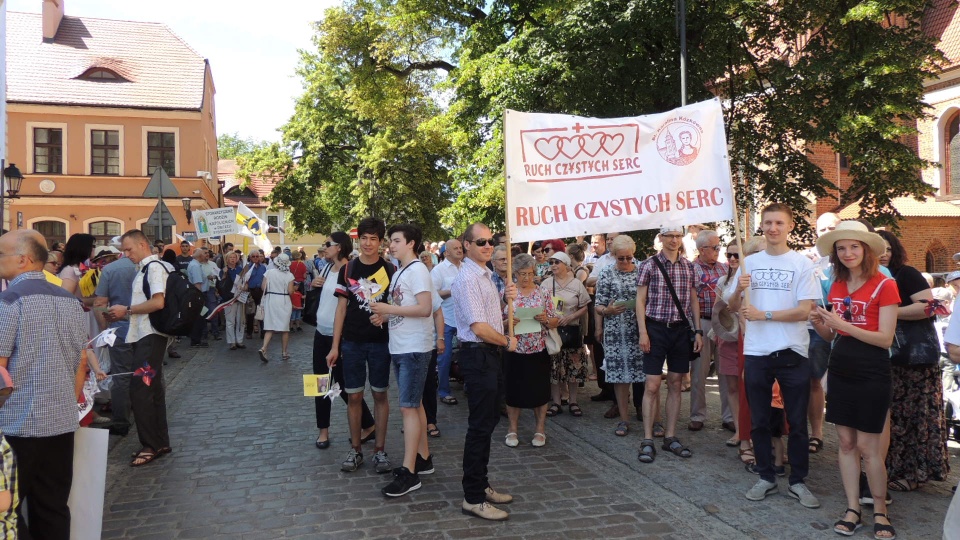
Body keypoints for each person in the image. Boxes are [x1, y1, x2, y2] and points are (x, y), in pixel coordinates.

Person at [726, 203, 820, 509]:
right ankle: (766, 476)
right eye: (768, 223)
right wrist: (738, 293)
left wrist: (763, 314)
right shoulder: (749, 262)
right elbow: (730, 309)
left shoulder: (802, 264)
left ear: (790, 226)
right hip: (756, 351)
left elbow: (804, 311)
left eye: (779, 223)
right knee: (759, 421)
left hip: (793, 351)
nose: (773, 228)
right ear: (762, 227)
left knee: (796, 421)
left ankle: (798, 481)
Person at [809, 221, 899, 539]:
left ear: (866, 250)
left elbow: (885, 338)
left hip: (873, 370)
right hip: (841, 368)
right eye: (842, 248)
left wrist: (839, 322)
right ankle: (852, 508)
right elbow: (832, 334)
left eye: (854, 246)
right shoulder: (835, 285)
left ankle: (880, 511)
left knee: (869, 447)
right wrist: (821, 321)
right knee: (846, 444)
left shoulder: (884, 285)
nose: (848, 253)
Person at [0, 230, 86, 538]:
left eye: (1, 255)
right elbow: (81, 362)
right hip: (61, 422)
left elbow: (0, 370)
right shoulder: (70, 302)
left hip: (16, 425)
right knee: (52, 506)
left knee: (6, 510)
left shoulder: (8, 302)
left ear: (22, 259)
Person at [876, 230, 950, 494]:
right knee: (890, 418)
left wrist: (888, 313)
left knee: (915, 418)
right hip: (886, 359)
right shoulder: (867, 279)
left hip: (914, 360)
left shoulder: (905, 274)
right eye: (877, 248)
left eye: (887, 248)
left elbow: (930, 306)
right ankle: (889, 468)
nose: (883, 254)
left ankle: (914, 473)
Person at [452, 223, 518, 521]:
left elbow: (489, 316)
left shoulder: (486, 275)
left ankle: (482, 483)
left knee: (489, 422)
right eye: (481, 241)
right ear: (466, 245)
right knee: (480, 427)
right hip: (478, 355)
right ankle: (473, 497)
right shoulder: (468, 278)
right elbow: (478, 327)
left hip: (489, 355)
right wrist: (506, 341)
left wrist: (506, 300)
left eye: (491, 241)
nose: (488, 245)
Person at [370, 224, 436, 497]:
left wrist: (388, 309)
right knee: (415, 403)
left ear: (411, 243)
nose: (391, 245)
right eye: (391, 241)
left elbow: (425, 308)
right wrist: (385, 316)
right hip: (401, 346)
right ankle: (423, 458)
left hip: (413, 348)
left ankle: (410, 473)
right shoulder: (400, 272)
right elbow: (406, 307)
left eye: (396, 241)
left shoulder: (418, 270)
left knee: (407, 407)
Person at [326, 218, 395, 474]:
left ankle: (380, 450)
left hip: (380, 343)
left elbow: (398, 307)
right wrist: (335, 346)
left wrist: (386, 316)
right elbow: (341, 309)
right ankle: (356, 449)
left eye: (374, 238)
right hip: (352, 343)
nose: (368, 243)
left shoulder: (390, 270)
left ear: (380, 242)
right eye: (364, 238)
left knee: (380, 395)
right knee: (354, 396)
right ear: (358, 239)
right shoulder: (348, 269)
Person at [636, 226, 702, 464]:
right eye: (669, 236)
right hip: (655, 328)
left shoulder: (689, 266)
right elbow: (640, 300)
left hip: (680, 331)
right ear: (661, 238)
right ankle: (647, 438)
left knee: (675, 382)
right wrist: (643, 332)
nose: (674, 240)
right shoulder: (649, 265)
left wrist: (697, 331)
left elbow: (693, 299)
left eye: (677, 236)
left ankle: (671, 435)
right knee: (652, 384)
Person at [108, 230, 173, 467]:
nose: (126, 255)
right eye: (123, 251)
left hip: (150, 337)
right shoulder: (147, 268)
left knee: (141, 389)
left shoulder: (154, 268)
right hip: (146, 336)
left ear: (143, 245)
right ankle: (160, 441)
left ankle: (151, 444)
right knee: (152, 389)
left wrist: (126, 310)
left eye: (129, 250)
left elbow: (158, 302)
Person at [311, 232, 375, 449]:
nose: (324, 247)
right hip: (321, 334)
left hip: (341, 337)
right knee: (319, 384)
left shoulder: (351, 271)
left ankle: (368, 424)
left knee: (345, 385)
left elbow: (361, 301)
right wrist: (314, 285)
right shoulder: (327, 268)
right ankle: (323, 431)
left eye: (328, 244)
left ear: (339, 247)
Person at [594, 235, 648, 437]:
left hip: (640, 330)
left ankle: (647, 414)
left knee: (643, 374)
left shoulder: (643, 269)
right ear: (613, 256)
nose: (626, 262)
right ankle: (624, 419)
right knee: (620, 377)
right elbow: (598, 303)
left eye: (629, 258)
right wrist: (606, 311)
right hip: (616, 332)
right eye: (621, 258)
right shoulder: (607, 272)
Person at [503, 254, 558, 448]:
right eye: (522, 274)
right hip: (514, 348)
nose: (526, 278)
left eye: (530, 273)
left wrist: (545, 319)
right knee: (513, 391)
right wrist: (508, 323)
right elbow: (497, 322)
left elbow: (554, 320)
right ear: (514, 273)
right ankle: (512, 429)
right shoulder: (508, 292)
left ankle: (540, 429)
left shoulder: (542, 292)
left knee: (540, 391)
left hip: (538, 347)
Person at [93, 237, 138, 436]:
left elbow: (99, 303)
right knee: (148, 372)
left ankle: (121, 422)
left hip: (120, 329)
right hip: (146, 329)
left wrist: (105, 328)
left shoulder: (111, 270)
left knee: (121, 376)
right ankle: (150, 414)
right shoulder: (150, 266)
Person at [690, 229, 730, 432]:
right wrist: (696, 328)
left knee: (726, 371)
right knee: (699, 372)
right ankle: (697, 415)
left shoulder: (725, 268)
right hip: (703, 323)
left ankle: (729, 416)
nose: (718, 250)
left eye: (718, 246)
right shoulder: (691, 269)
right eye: (714, 247)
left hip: (723, 323)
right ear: (702, 249)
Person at [541, 252, 590, 417]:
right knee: (554, 368)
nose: (553, 265)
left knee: (574, 368)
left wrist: (571, 317)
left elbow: (585, 305)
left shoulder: (577, 284)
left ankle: (573, 401)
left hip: (572, 329)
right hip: (553, 331)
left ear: (567, 264)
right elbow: (540, 304)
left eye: (557, 262)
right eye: (551, 262)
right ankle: (556, 402)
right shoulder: (546, 284)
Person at [432, 238, 463, 406]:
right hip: (447, 319)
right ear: (446, 252)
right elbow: (433, 295)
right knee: (444, 357)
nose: (460, 250)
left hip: (465, 319)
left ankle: (467, 385)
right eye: (455, 248)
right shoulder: (438, 271)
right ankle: (444, 391)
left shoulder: (466, 268)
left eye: (460, 247)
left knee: (468, 355)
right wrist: (452, 291)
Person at [259, 254, 295, 362]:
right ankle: (284, 352)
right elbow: (290, 291)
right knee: (284, 328)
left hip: (270, 299)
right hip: (283, 300)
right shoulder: (289, 275)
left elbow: (263, 287)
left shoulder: (269, 272)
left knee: (270, 326)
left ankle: (264, 348)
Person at [221, 252, 247, 350]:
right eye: (230, 257)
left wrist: (244, 287)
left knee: (241, 320)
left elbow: (245, 281)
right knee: (230, 321)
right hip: (229, 298)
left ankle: (239, 340)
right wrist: (224, 273)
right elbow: (220, 283)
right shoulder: (223, 270)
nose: (232, 259)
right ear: (227, 259)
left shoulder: (241, 269)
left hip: (240, 297)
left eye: (234, 257)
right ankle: (231, 341)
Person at [187, 247, 211, 348]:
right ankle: (196, 340)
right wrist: (200, 298)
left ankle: (197, 338)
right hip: (199, 294)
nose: (204, 256)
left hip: (196, 294)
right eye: (203, 255)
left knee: (200, 316)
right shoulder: (196, 266)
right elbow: (198, 283)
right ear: (200, 256)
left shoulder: (194, 264)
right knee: (199, 317)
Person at [242, 250, 267, 340]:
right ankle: (249, 331)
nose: (256, 258)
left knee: (261, 312)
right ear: (250, 257)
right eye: (254, 256)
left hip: (260, 291)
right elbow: (243, 279)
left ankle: (263, 332)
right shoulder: (246, 267)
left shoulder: (263, 267)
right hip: (251, 291)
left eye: (257, 256)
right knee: (250, 313)